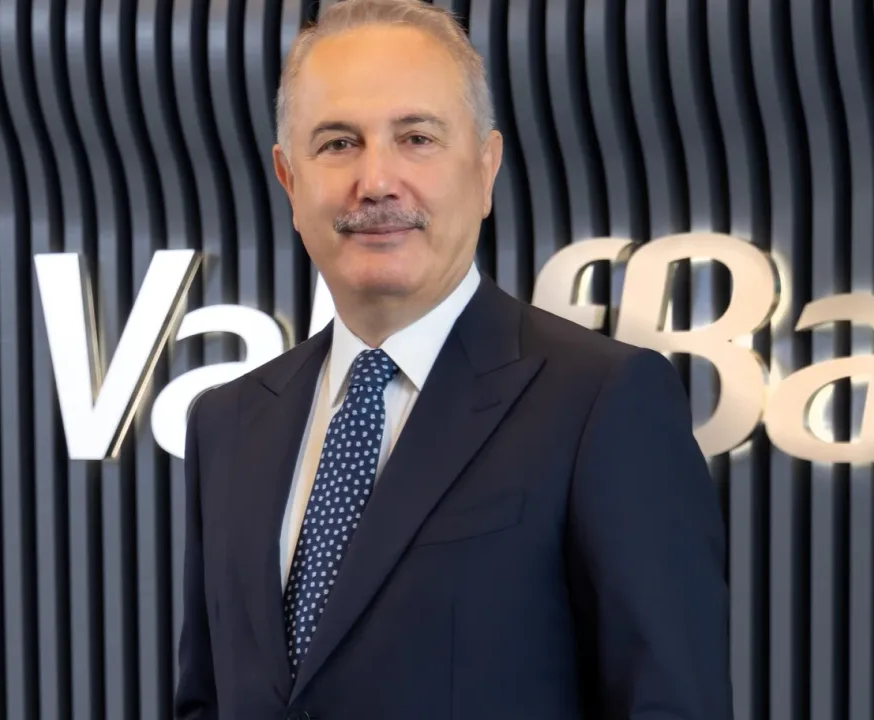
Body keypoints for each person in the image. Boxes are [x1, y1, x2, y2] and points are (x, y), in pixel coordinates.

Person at [173, 0, 732, 717]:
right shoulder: (226, 421)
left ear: (485, 167)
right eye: (338, 143)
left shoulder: (602, 403)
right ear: (289, 180)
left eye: (416, 138)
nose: (377, 181)